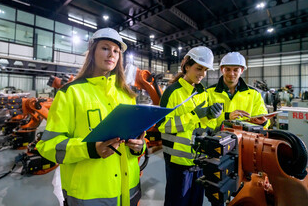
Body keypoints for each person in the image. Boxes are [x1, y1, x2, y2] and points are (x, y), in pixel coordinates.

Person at [36, 28, 146, 206]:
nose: (111, 54)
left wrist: (139, 146)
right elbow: (48, 146)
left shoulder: (127, 96)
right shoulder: (70, 93)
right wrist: (90, 149)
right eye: (105, 48)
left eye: (116, 51)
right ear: (92, 52)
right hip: (89, 195)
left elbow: (137, 139)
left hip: (128, 191)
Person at [157, 46, 223, 206]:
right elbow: (163, 126)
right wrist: (194, 114)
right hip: (178, 163)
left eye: (205, 70)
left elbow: (208, 127)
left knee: (195, 202)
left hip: (199, 160)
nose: (202, 74)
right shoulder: (173, 92)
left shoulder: (203, 93)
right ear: (187, 66)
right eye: (198, 68)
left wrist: (212, 116)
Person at [207, 52, 270, 128]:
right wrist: (227, 116)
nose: (231, 73)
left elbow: (264, 122)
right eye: (228, 69)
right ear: (221, 69)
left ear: (242, 70)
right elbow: (203, 121)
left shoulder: (254, 94)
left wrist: (262, 122)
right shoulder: (208, 93)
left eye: (236, 70)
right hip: (216, 138)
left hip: (245, 138)